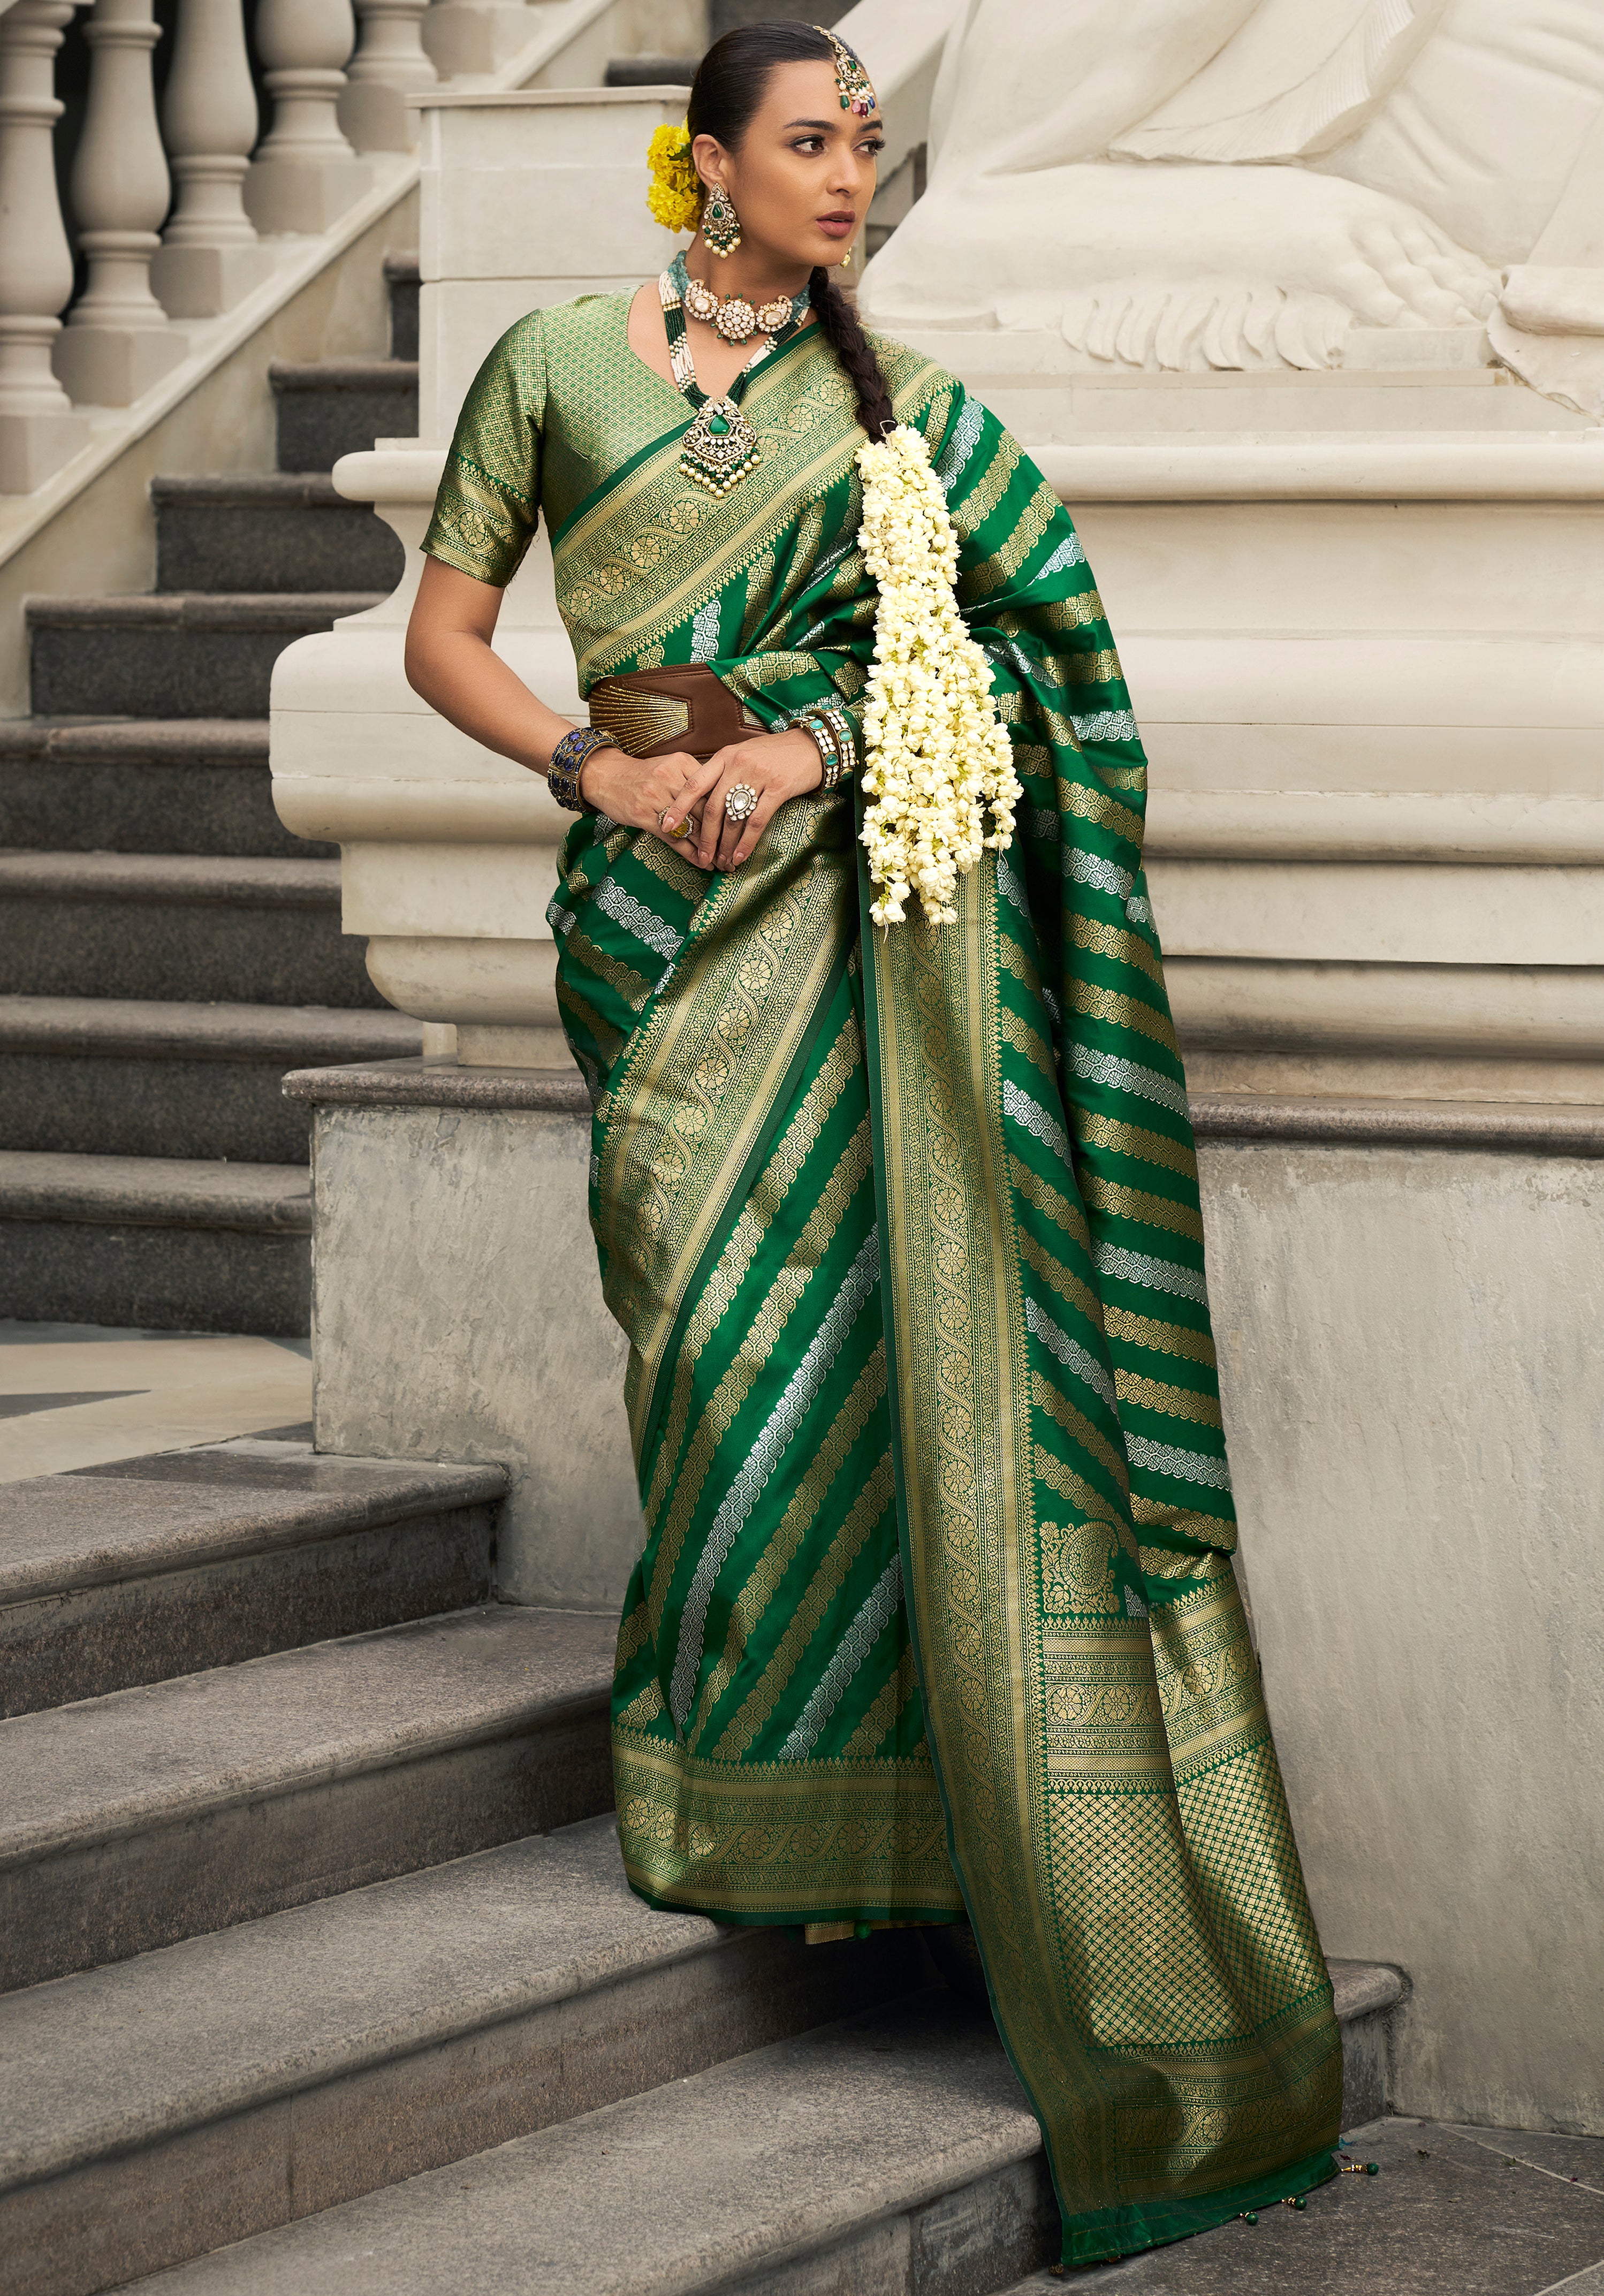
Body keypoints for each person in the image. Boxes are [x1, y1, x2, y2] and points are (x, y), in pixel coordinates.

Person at [403, 21, 1343, 2271]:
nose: (854, 176)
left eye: (871, 145)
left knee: (881, 1363)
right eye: (813, 144)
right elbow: (448, 636)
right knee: (722, 1356)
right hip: (651, 928)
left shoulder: (903, 418)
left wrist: (830, 739)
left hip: (852, 936)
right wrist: (586, 769)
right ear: (700, 166)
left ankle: (902, 1844)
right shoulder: (552, 363)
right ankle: (730, 1802)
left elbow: (1055, 674)